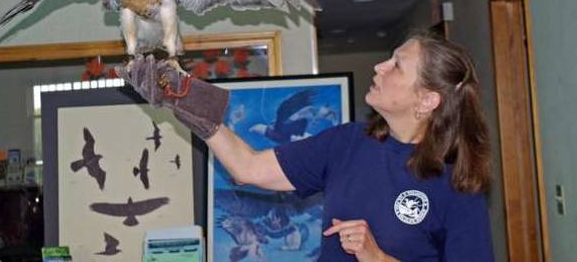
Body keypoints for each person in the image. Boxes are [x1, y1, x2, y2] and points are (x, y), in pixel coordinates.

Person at [119, 32, 494, 261]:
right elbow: (249, 168)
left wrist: (376, 257)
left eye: (397, 65)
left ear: (427, 100)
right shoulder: (347, 143)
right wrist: (188, 106)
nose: (380, 67)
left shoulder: (457, 183)